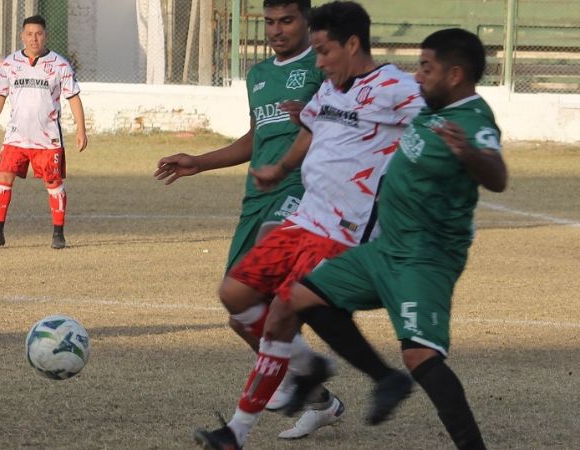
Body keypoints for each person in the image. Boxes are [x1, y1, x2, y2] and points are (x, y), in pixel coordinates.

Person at [192, 2, 425, 448]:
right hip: (305, 219)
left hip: (346, 230)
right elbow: (310, 129)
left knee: (283, 311)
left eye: (323, 51)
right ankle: (310, 366)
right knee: (234, 294)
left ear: (352, 44)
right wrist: (280, 169)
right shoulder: (331, 87)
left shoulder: (395, 87)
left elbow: (437, 123)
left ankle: (235, 433)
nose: (318, 63)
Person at [277, 28, 506, 450]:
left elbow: (497, 175)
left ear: (455, 74)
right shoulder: (432, 109)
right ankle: (385, 380)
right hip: (385, 248)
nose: (418, 76)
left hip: (425, 257)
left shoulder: (473, 119)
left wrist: (470, 154)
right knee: (302, 297)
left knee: (420, 355)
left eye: (426, 68)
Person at [155, 0, 338, 438]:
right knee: (240, 315)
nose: (276, 30)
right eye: (269, 22)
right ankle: (318, 396)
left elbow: (343, 125)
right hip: (257, 197)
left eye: (286, 21)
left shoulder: (322, 66)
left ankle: (288, 377)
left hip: (300, 191)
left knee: (266, 284)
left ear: (306, 22)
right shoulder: (258, 76)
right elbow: (258, 135)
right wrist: (200, 162)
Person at [0, 14, 87, 249]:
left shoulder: (60, 65)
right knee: (3, 177)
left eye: (38, 34)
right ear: (22, 36)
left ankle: (58, 234)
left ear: (45, 36)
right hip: (16, 136)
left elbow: (73, 97)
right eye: (29, 34)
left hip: (47, 138)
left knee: (53, 182)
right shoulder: (10, 64)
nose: (34, 39)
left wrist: (81, 129)